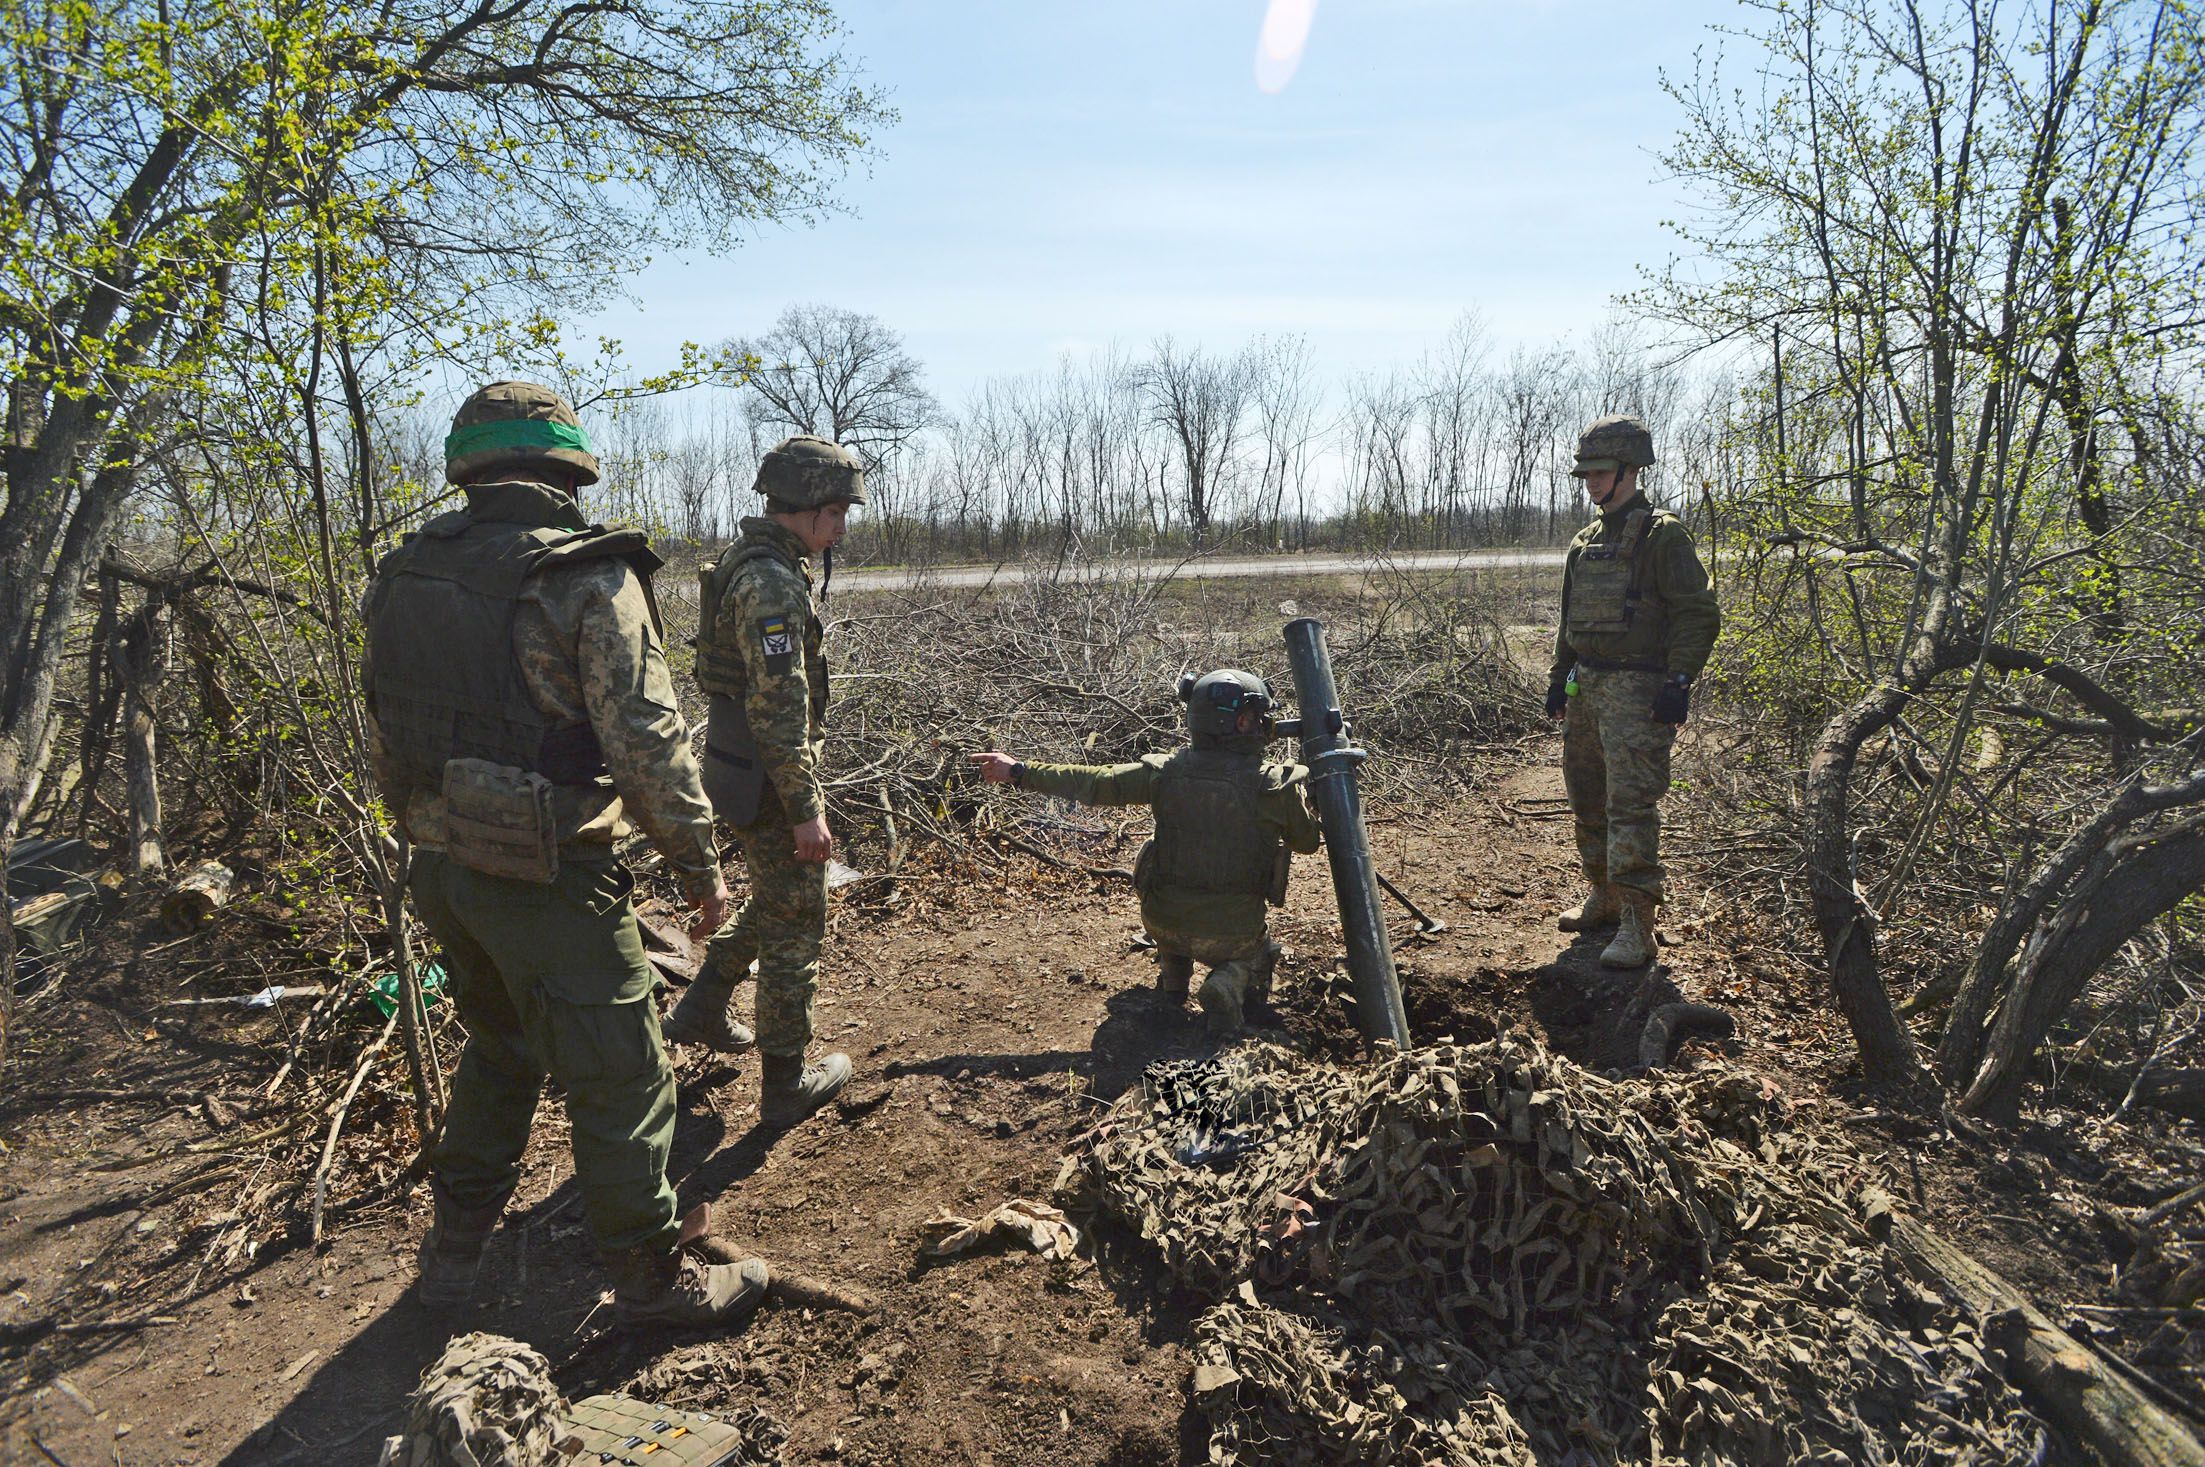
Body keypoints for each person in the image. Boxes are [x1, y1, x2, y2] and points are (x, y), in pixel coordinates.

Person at [364, 380, 773, 1327]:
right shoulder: (586, 575)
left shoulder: (404, 570)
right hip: (548, 874)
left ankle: (453, 1255)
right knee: (623, 1070)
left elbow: (386, 731)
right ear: (566, 466)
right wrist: (698, 866)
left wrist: (428, 833)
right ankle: (646, 1277)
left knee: (500, 1047)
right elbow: (647, 742)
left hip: (444, 867)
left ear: (469, 466)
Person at [664, 436, 860, 1128]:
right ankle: (785, 1082)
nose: (840, 528)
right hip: (772, 780)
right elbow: (778, 707)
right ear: (808, 509)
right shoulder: (772, 582)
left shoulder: (748, 563)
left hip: (740, 767)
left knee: (778, 898)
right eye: (836, 513)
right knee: (798, 921)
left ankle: (702, 1002)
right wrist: (806, 809)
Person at [969, 670, 1322, 1035]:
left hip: (1160, 923)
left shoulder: (1164, 773)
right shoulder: (1276, 785)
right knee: (1260, 953)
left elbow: (1094, 782)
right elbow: (1307, 843)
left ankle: (1173, 980)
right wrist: (1312, 802)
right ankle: (1229, 981)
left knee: (1175, 889)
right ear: (1243, 721)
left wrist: (1020, 771)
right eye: (1259, 716)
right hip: (1231, 937)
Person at [1544, 413, 1722, 968]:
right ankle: (1604, 893)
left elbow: (1697, 612)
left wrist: (1678, 680)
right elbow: (1570, 618)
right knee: (1587, 800)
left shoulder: (1663, 536)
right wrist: (1559, 677)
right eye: (1586, 473)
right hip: (1587, 689)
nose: (1592, 482)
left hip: (1638, 691)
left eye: (1600, 472)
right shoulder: (1585, 541)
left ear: (1630, 470)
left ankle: (1638, 923)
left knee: (1631, 806)